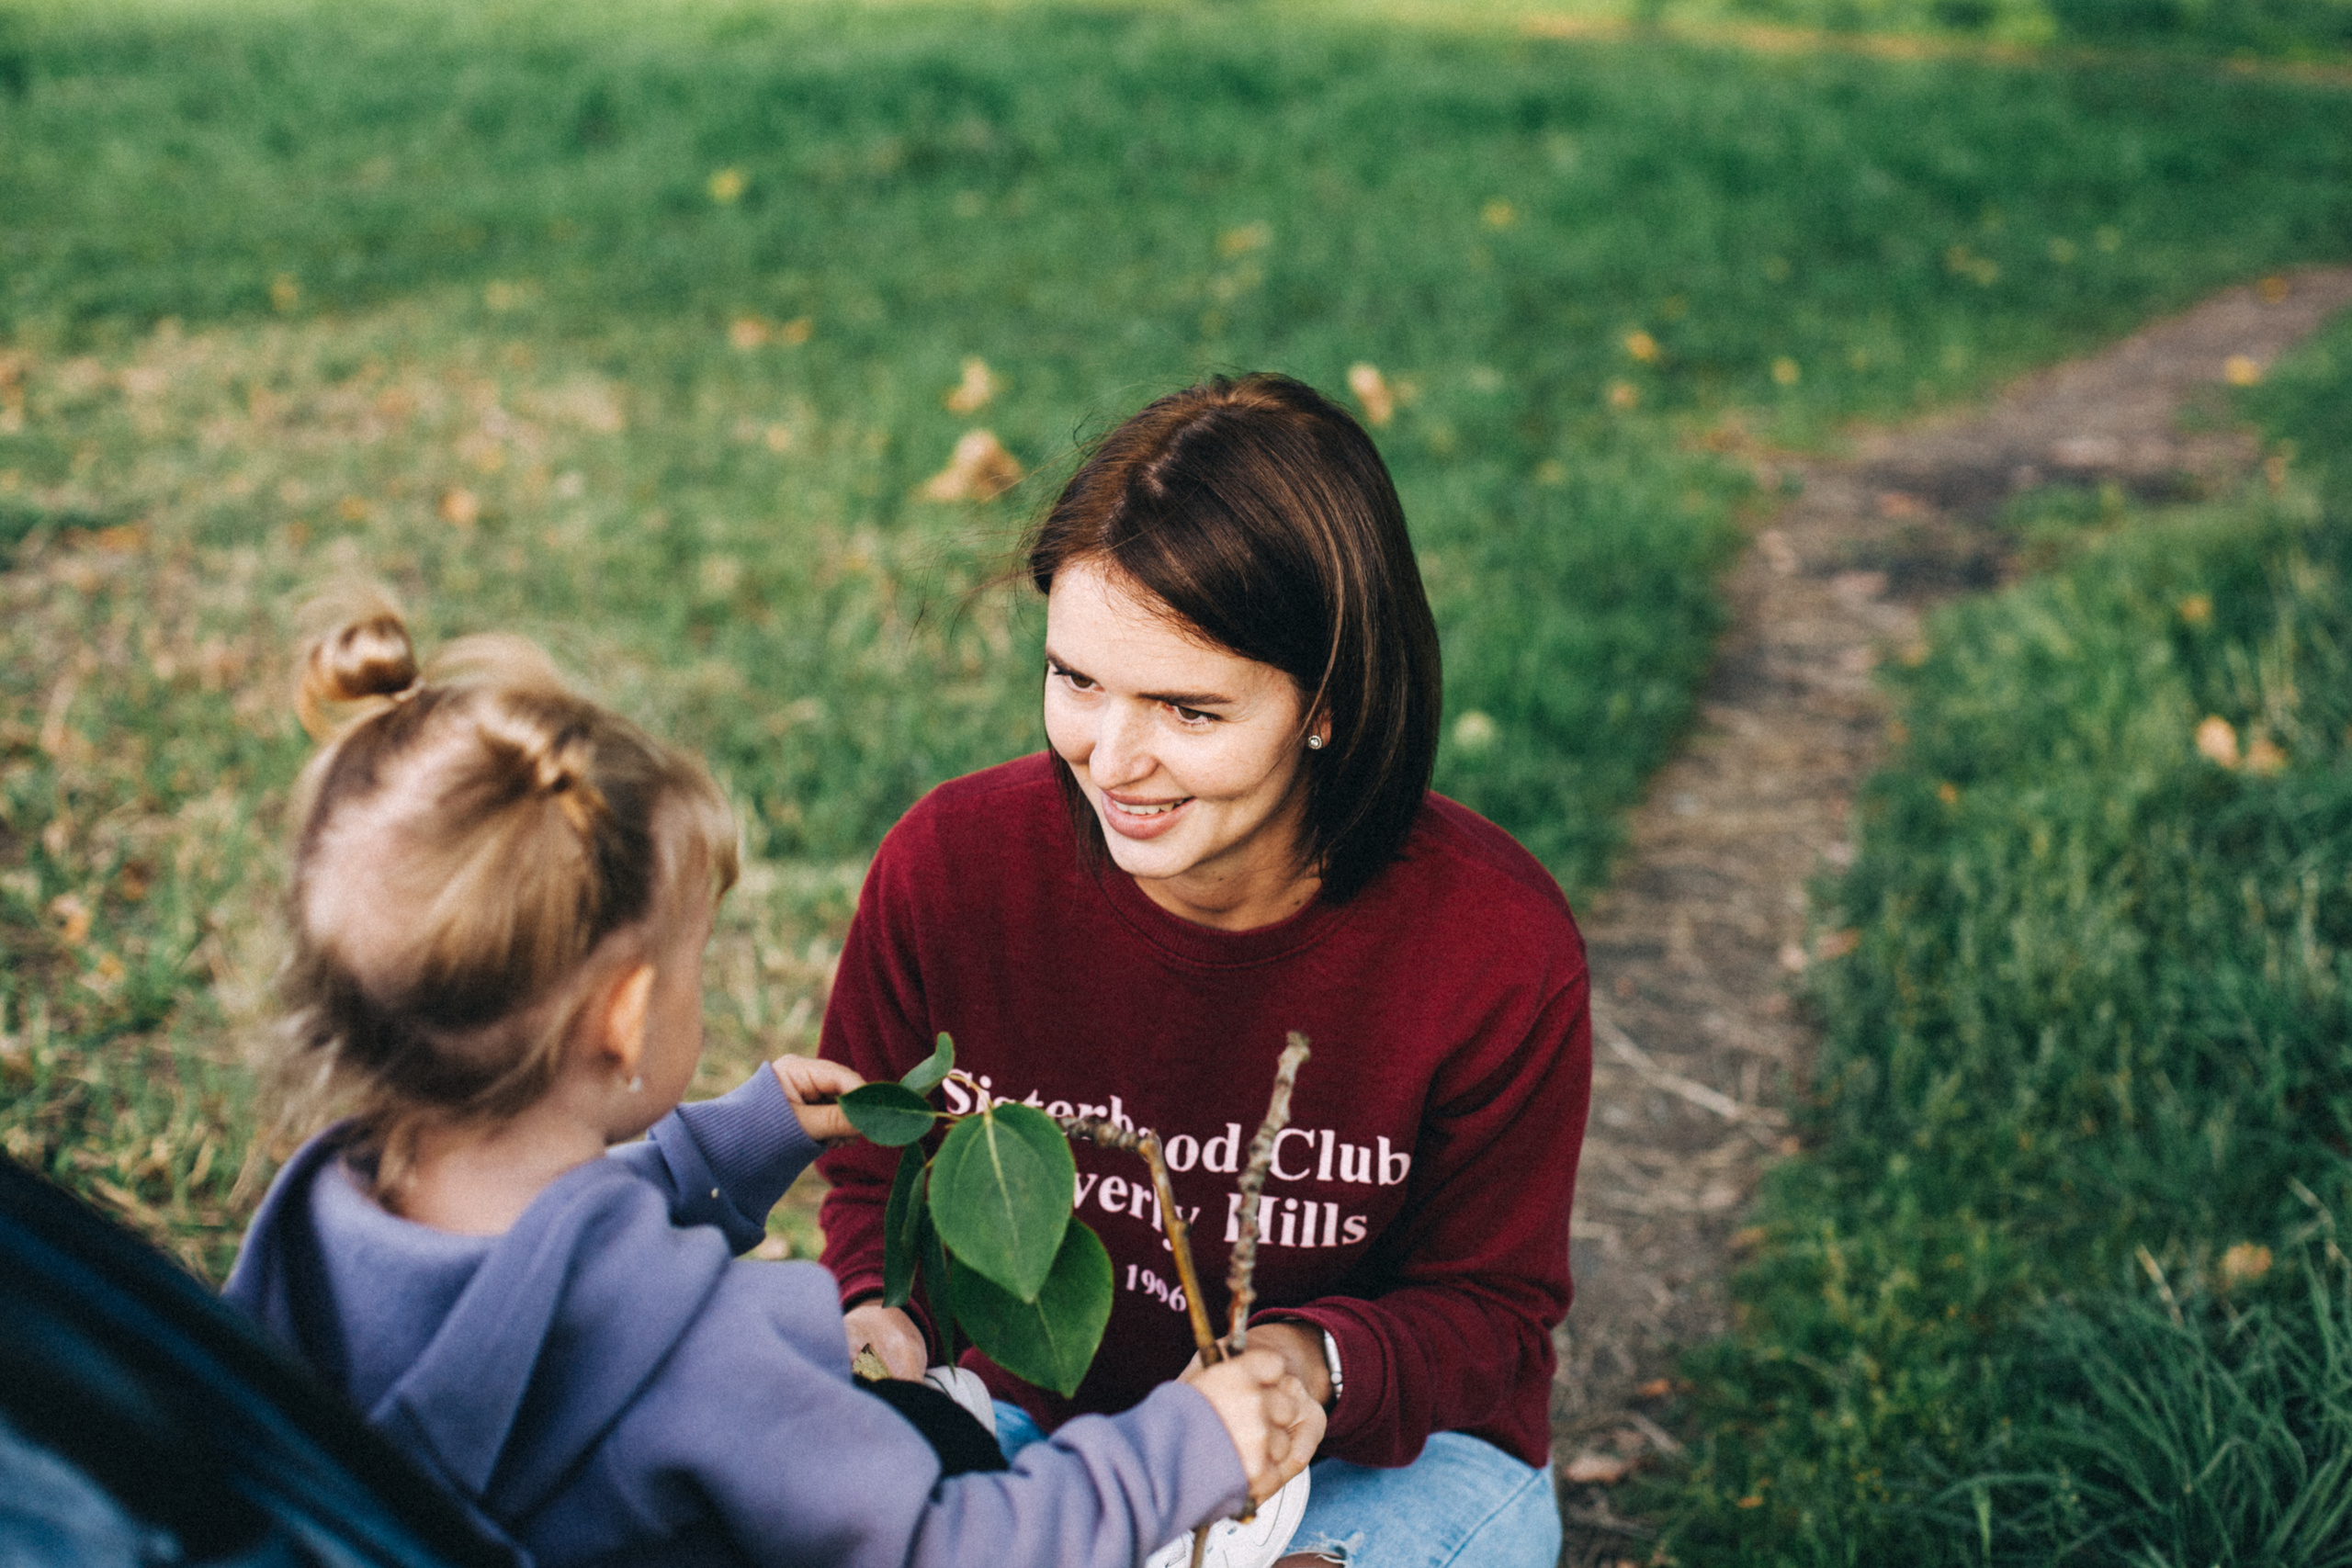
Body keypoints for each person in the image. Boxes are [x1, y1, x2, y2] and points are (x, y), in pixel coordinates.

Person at [221, 593, 1323, 1568]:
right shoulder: (702, 1357)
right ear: (626, 1017)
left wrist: (718, 1151)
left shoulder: (319, 1224)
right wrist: (1181, 1449)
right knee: (945, 1446)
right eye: (693, 958)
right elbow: (951, 1547)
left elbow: (531, 1277)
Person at [818, 373, 1592, 1568]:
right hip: (1038, 1427)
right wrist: (884, 1317)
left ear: (1327, 703)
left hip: (1371, 1459)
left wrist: (1305, 1366)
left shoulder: (1490, 944)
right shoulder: (955, 870)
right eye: (1076, 679)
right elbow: (875, 1173)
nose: (1112, 758)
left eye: (1187, 709)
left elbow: (1492, 1310)